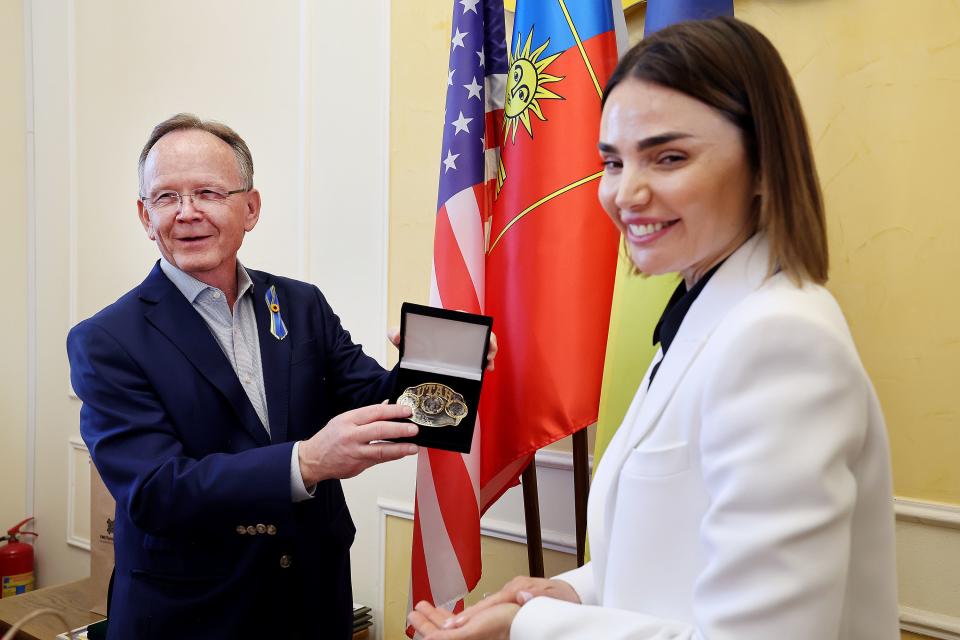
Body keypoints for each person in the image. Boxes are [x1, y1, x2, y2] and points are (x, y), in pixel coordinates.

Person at [409, 16, 898, 640]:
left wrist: (530, 625)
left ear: (765, 166)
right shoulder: (711, 312)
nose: (626, 193)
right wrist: (572, 589)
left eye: (668, 157)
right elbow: (678, 550)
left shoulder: (780, 341)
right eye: (613, 162)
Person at [67, 114, 495, 639]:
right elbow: (157, 491)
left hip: (312, 602)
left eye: (208, 191)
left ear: (250, 208)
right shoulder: (106, 340)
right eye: (165, 197)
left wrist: (443, 364)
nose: (187, 213)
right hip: (193, 615)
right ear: (144, 215)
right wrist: (306, 462)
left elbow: (385, 403)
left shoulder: (301, 304)